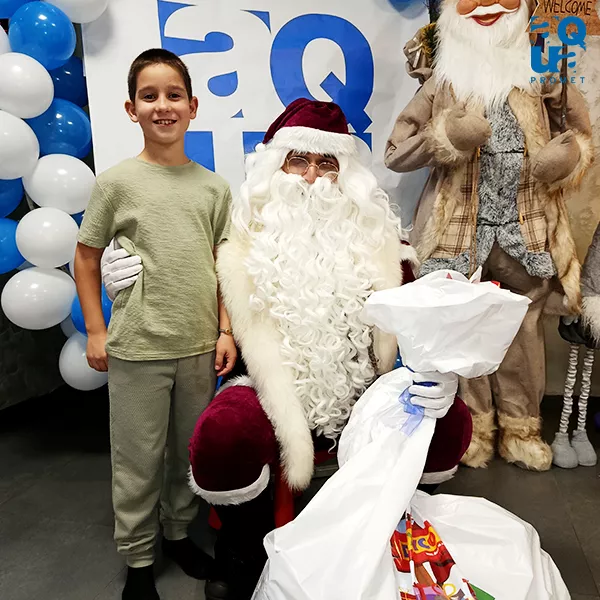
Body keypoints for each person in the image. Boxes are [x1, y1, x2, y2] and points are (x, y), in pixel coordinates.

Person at [185, 99, 473, 600]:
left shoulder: (386, 251)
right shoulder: (241, 248)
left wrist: (438, 376)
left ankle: (404, 535)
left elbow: (420, 331)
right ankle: (245, 548)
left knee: (449, 419)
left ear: (348, 176)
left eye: (327, 163)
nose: (313, 176)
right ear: (275, 169)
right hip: (270, 390)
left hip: (367, 391)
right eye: (298, 161)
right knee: (224, 431)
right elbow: (200, 305)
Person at [385, 0, 593, 471]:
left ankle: (521, 429)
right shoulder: (443, 81)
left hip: (527, 228)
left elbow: (579, 134)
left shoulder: (542, 71)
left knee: (523, 331)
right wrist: (444, 135)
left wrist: (567, 157)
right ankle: (472, 429)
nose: (487, 5)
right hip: (458, 232)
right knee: (463, 329)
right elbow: (396, 152)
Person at [74, 48, 237, 600]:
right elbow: (86, 258)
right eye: (149, 96)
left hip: (198, 346)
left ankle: (177, 534)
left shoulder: (214, 189)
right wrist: (97, 330)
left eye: (173, 95)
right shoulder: (116, 183)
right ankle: (139, 558)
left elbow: (224, 265)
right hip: (138, 347)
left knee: (188, 452)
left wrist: (225, 330)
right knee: (137, 459)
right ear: (131, 109)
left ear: (193, 106)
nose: (162, 106)